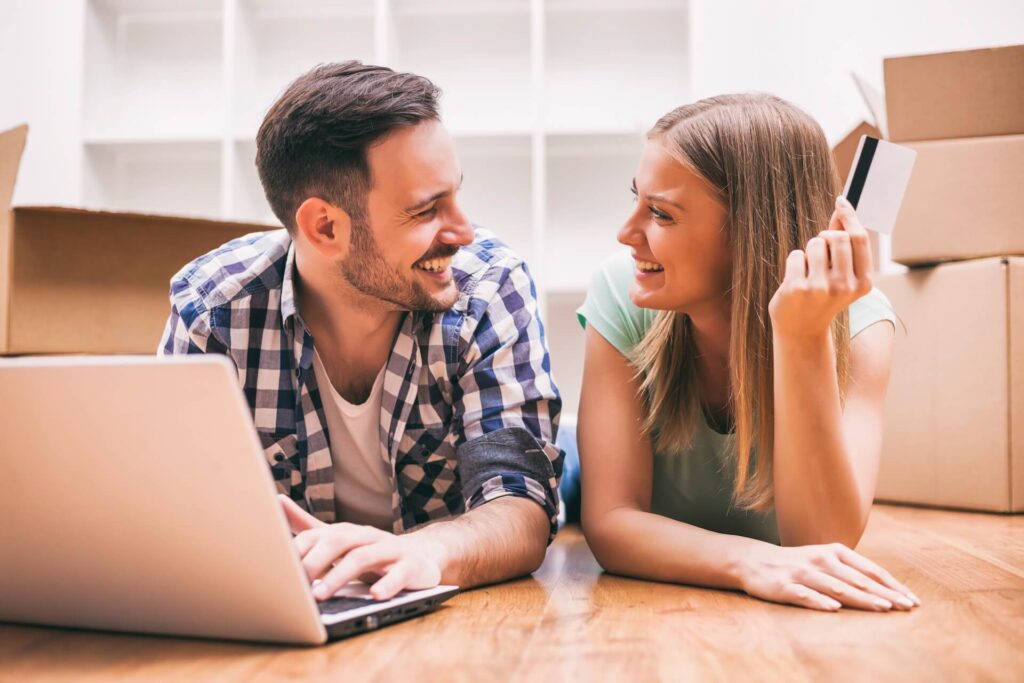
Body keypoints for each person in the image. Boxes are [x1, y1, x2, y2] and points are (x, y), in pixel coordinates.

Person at [159, 62, 563, 602]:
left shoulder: (489, 288)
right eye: (425, 210)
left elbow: (520, 508)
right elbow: (176, 509)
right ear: (325, 227)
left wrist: (428, 552)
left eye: (455, 195)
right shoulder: (213, 313)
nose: (464, 231)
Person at [572, 93, 920, 612]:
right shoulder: (619, 292)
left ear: (749, 232)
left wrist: (802, 337)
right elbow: (611, 520)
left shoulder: (862, 323)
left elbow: (822, 538)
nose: (626, 234)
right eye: (635, 200)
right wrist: (748, 561)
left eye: (660, 214)